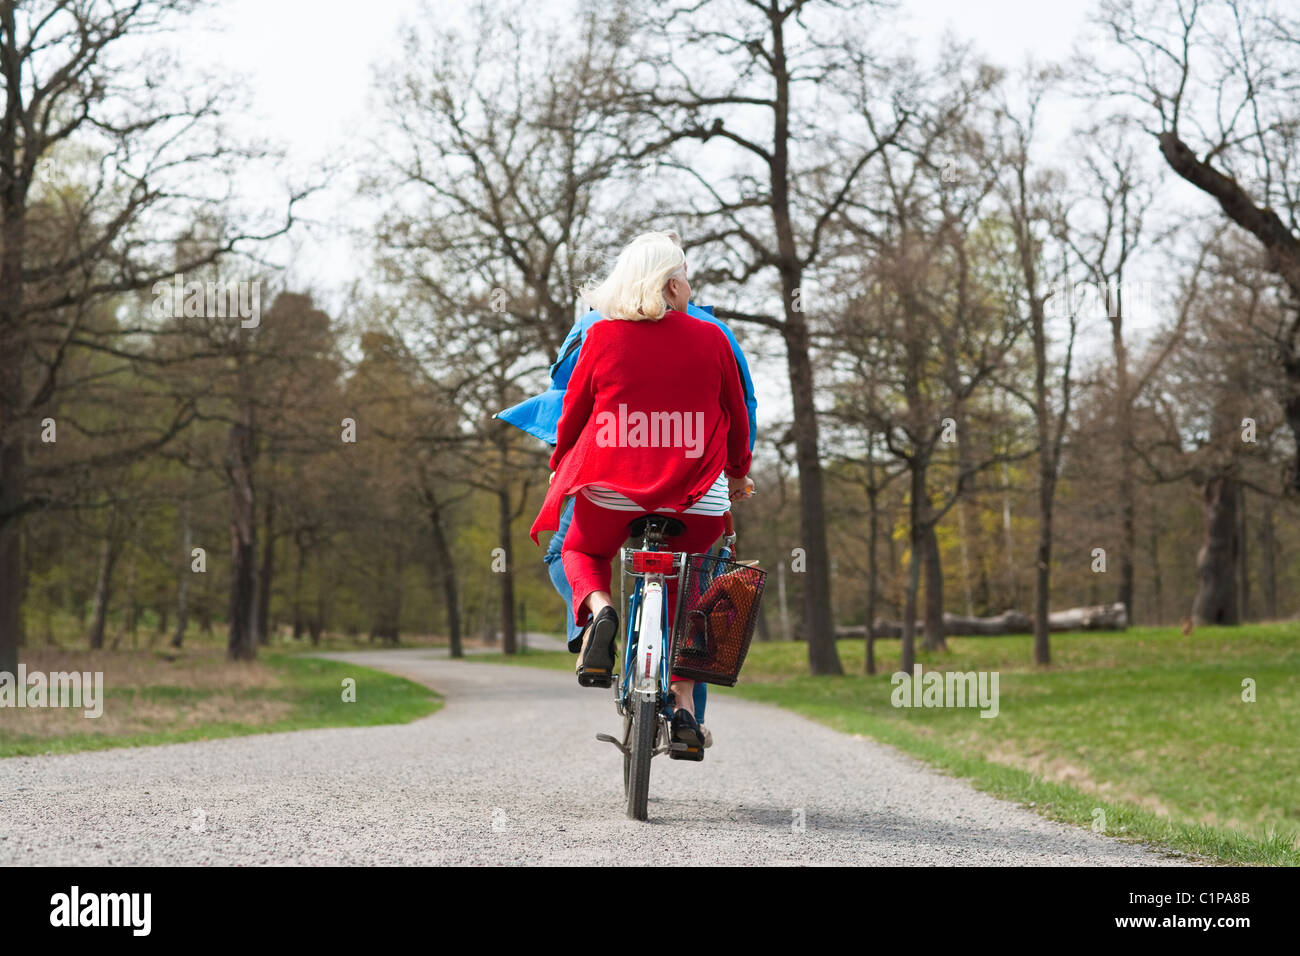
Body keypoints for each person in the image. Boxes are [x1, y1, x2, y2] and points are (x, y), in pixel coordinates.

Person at [498, 237, 758, 740]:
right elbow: (738, 417)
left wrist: (560, 465)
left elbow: (571, 415)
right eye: (684, 275)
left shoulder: (600, 335)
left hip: (612, 491)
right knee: (691, 588)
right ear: (672, 283)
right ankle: (684, 708)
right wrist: (738, 473)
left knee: (577, 549)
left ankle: (601, 612)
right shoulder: (715, 339)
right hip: (695, 497)